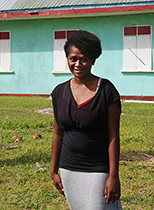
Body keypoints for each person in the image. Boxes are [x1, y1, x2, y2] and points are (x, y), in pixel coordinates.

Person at [51, 30, 122, 210]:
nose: (78, 64)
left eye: (84, 59)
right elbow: (58, 133)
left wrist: (113, 175)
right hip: (69, 168)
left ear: (93, 60)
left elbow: (113, 135)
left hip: (98, 167)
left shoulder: (106, 90)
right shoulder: (59, 92)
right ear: (67, 59)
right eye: (73, 58)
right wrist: (53, 170)